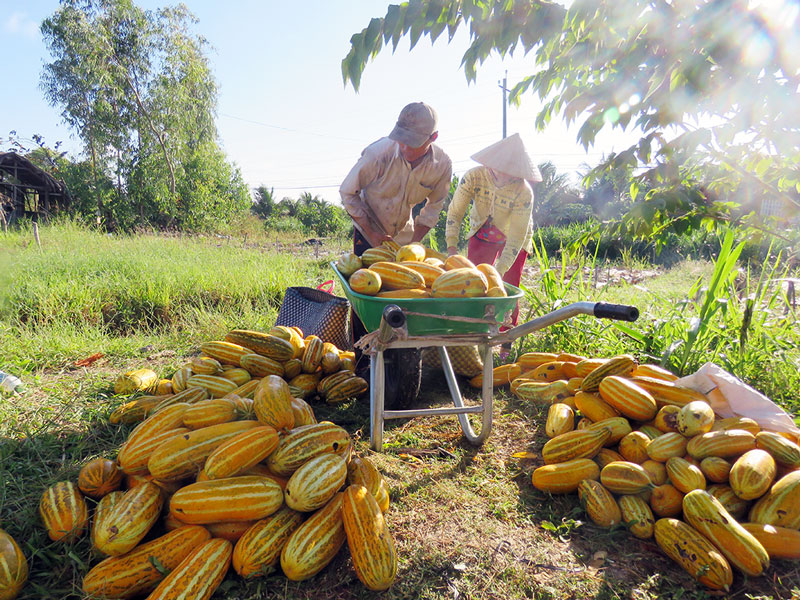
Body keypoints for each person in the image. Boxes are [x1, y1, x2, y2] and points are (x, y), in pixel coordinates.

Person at [445, 133, 541, 328]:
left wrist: (498, 272)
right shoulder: (474, 177)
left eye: (510, 172)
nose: (504, 176)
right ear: (490, 164)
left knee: (508, 287)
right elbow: (455, 212)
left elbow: (515, 237)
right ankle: (474, 331)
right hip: (482, 233)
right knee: (474, 284)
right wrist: (452, 248)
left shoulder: (524, 192)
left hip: (514, 240)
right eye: (499, 171)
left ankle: (506, 338)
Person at [340, 101, 453, 256]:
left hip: (404, 236)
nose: (405, 148)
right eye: (401, 140)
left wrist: (415, 243)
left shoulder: (442, 165)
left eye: (412, 143)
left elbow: (433, 208)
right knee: (364, 277)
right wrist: (371, 233)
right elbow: (347, 192)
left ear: (433, 137)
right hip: (367, 231)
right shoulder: (378, 154)